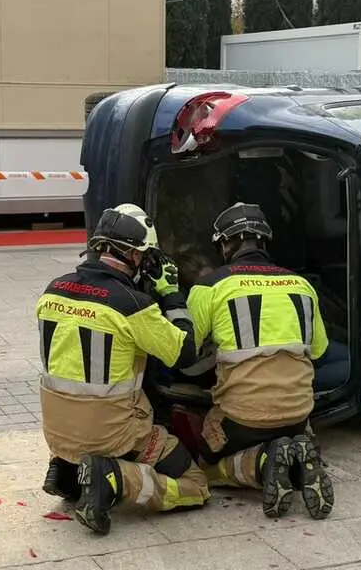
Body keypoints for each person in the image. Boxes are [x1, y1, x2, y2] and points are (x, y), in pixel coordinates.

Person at [37, 203, 210, 535]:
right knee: (195, 482)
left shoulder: (52, 291)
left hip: (57, 432)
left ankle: (66, 470)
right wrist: (171, 295)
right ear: (134, 255)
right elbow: (185, 354)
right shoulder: (132, 305)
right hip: (112, 434)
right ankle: (113, 478)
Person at [185, 202, 334, 520]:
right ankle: (298, 457)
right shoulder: (302, 285)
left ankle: (264, 462)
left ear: (225, 244)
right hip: (298, 414)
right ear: (265, 241)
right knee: (289, 435)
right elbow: (319, 352)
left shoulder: (209, 286)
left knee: (205, 464)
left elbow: (184, 351)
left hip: (242, 419)